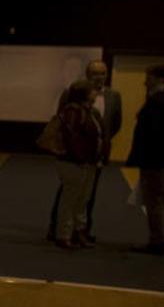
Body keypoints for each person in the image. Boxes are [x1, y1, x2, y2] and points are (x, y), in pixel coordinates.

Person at [47, 60, 121, 242]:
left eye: (103, 73)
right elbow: (62, 122)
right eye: (95, 73)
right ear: (87, 75)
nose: (99, 77)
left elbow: (115, 124)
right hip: (74, 157)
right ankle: (58, 229)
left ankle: (81, 230)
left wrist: (100, 145)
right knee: (68, 192)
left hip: (95, 156)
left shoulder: (114, 96)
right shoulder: (71, 94)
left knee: (88, 194)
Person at [125, 63, 164, 255]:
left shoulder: (157, 102)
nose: (145, 82)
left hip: (154, 158)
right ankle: (163, 236)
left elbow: (150, 133)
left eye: (149, 78)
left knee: (154, 200)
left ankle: (157, 241)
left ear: (160, 79)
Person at [53, 79, 105, 250]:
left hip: (88, 163)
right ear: (85, 93)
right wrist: (81, 158)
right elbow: (71, 138)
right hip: (73, 163)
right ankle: (63, 235)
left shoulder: (90, 111)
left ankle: (79, 232)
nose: (96, 92)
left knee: (82, 200)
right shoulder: (73, 110)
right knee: (70, 200)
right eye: (93, 90)